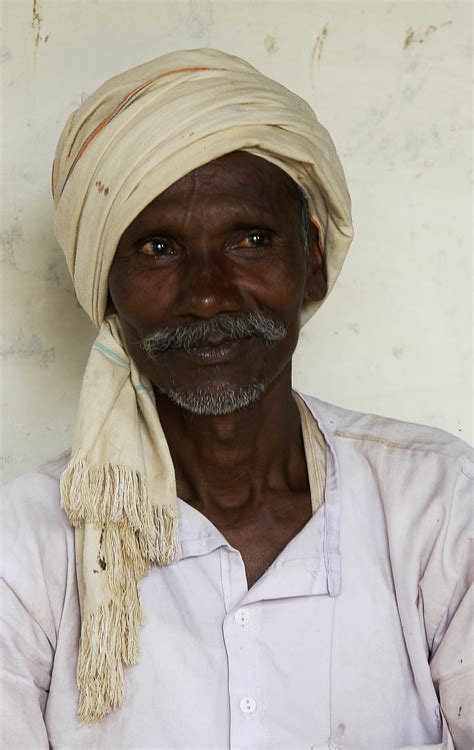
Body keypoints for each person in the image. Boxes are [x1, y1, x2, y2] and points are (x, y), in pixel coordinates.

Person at [0, 48, 472, 750]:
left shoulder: (433, 502)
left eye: (251, 240)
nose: (208, 295)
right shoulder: (28, 540)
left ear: (310, 263)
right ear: (109, 289)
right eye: (158, 248)